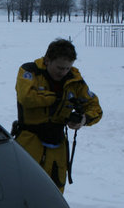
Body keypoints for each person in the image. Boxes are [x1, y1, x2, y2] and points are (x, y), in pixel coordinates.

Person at [13, 38, 102, 193]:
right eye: (60, 67)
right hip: (28, 142)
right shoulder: (29, 71)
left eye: (68, 68)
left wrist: (83, 119)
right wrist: (59, 99)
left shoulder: (74, 81)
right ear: (47, 60)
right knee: (23, 189)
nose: (63, 72)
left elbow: (95, 107)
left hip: (57, 145)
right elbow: (26, 97)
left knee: (54, 191)